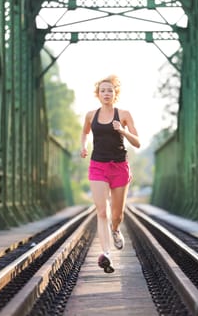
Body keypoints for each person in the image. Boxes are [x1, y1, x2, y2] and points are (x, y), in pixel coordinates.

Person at [80, 74, 140, 273]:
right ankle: (106, 253)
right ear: (98, 94)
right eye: (103, 90)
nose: (106, 93)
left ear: (115, 94)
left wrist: (123, 131)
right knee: (102, 211)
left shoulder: (123, 114)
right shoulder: (91, 115)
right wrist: (83, 147)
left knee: (117, 214)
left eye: (110, 90)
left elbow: (137, 142)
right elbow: (85, 132)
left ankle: (115, 230)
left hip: (119, 166)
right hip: (98, 165)